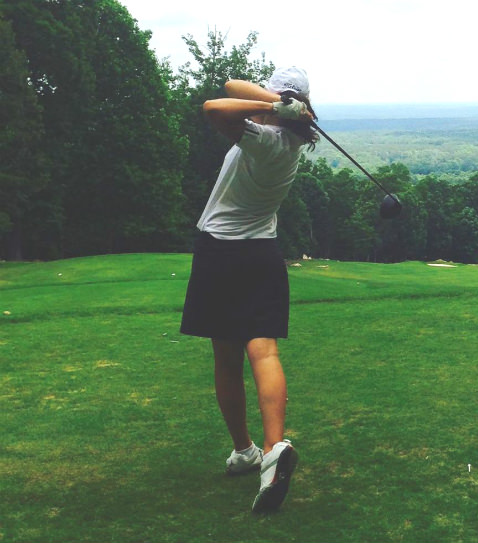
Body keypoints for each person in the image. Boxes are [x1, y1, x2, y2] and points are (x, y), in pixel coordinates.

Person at [180, 66, 318, 513]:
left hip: (221, 253)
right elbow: (230, 86)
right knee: (266, 353)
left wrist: (270, 104)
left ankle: (246, 448)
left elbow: (213, 106)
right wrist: (281, 104)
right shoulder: (292, 141)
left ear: (283, 103)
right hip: (262, 254)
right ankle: (270, 450)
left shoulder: (263, 138)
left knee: (226, 359)